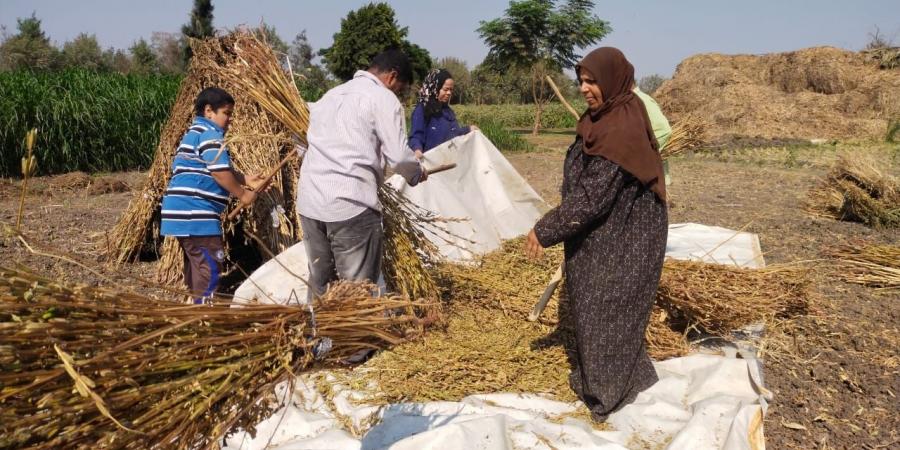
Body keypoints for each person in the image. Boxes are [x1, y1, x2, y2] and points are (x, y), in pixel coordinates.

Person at [523, 47, 668, 422]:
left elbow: (593, 196)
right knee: (597, 302)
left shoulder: (620, 126)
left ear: (612, 80)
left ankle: (606, 394)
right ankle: (627, 376)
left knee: (606, 305)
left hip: (625, 234)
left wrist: (545, 229)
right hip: (608, 228)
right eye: (581, 81)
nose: (585, 89)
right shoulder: (603, 117)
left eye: (592, 81)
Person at [297, 49, 427, 299]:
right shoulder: (383, 99)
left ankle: (317, 334)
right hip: (351, 204)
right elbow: (399, 156)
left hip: (310, 202)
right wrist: (416, 172)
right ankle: (355, 337)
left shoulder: (330, 96)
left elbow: (301, 146)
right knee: (357, 290)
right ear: (392, 77)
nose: (397, 94)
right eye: (399, 88)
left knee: (320, 281)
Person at [160, 87, 264, 303]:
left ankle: (194, 305)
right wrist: (243, 194)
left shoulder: (195, 133)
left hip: (181, 212)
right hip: (195, 212)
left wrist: (245, 179)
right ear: (209, 111)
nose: (230, 120)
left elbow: (212, 167)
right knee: (210, 266)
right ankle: (204, 313)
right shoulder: (211, 134)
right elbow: (218, 172)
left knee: (197, 264)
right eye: (226, 113)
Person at [408, 68, 478, 159]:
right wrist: (417, 150)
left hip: (448, 163)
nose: (449, 93)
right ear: (434, 88)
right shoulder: (422, 110)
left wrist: (468, 129)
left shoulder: (448, 111)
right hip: (431, 165)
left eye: (451, 90)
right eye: (445, 89)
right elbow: (416, 136)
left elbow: (454, 134)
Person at [633, 83, 673, 185]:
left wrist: (643, 154)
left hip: (651, 177)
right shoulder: (630, 101)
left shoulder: (642, 100)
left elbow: (664, 130)